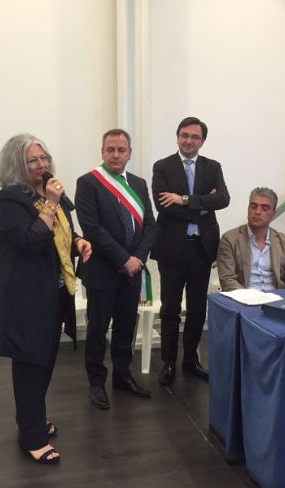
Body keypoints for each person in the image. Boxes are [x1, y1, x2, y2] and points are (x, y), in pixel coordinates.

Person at [0, 133, 92, 464]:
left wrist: (77, 242)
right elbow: (30, 242)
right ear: (16, 165)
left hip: (52, 292)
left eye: (44, 158)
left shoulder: (44, 193)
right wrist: (52, 203)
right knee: (31, 364)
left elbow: (60, 232)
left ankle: (32, 421)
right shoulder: (9, 199)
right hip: (26, 297)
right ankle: (31, 437)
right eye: (32, 160)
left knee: (44, 361)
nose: (41, 164)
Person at [75, 129, 156, 409]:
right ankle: (97, 382)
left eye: (121, 150)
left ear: (130, 153)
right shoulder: (88, 182)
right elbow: (92, 228)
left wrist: (138, 259)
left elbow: (150, 226)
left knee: (125, 326)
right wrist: (124, 259)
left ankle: (123, 376)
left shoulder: (139, 183)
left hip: (132, 271)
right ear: (102, 152)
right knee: (98, 329)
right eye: (110, 149)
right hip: (102, 270)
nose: (115, 155)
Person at [151, 116, 230, 386]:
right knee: (170, 308)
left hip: (201, 248)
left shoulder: (212, 166)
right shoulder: (162, 166)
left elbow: (223, 199)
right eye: (184, 135)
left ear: (202, 141)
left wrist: (184, 199)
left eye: (195, 137)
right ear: (177, 137)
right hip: (172, 248)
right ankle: (168, 362)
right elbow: (163, 206)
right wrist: (203, 206)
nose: (189, 141)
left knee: (197, 308)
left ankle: (190, 360)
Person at [217, 187, 285, 291]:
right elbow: (227, 280)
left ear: (273, 214)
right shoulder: (230, 239)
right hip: (243, 297)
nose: (257, 212)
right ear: (248, 209)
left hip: (277, 297)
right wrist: (251, 297)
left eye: (265, 209)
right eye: (253, 207)